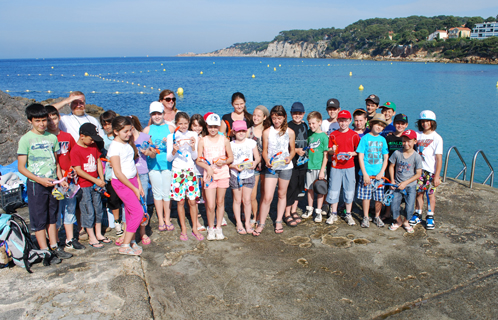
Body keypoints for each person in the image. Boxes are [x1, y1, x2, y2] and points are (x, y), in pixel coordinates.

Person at [17, 104, 71, 264]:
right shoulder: (26, 139)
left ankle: (54, 246)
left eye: (44, 120)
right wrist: (40, 180)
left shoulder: (52, 138)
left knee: (52, 217)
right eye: (38, 121)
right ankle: (44, 251)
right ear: (30, 121)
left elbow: (56, 163)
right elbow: (21, 167)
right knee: (39, 219)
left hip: (53, 183)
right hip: (36, 185)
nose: (42, 124)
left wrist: (61, 180)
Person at [45, 105, 85, 250]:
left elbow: (73, 155)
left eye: (54, 118)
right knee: (55, 212)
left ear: (59, 118)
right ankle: (54, 242)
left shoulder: (67, 136)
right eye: (48, 120)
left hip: (69, 180)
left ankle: (70, 239)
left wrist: (74, 169)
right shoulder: (46, 138)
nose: (52, 122)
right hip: (54, 181)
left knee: (70, 208)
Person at [253, 106, 295, 236]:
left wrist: (290, 158)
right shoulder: (267, 132)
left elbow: (292, 150)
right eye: (274, 118)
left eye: (279, 118)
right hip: (271, 168)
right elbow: (264, 150)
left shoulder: (290, 132)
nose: (276, 121)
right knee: (267, 196)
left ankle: (278, 221)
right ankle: (261, 223)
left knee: (282, 194)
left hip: (286, 168)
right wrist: (266, 160)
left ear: (284, 118)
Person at [108, 116, 145, 255]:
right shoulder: (115, 147)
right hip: (122, 183)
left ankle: (131, 241)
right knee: (138, 212)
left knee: (130, 212)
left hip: (132, 180)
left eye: (130, 130)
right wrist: (134, 188)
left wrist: (139, 184)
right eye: (125, 131)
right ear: (116, 131)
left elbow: (132, 165)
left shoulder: (127, 144)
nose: (129, 134)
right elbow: (117, 172)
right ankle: (124, 245)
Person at [70, 123, 111, 248]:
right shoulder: (75, 150)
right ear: (82, 136)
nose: (92, 141)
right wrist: (95, 180)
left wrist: (101, 178)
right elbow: (78, 170)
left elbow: (98, 161)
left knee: (98, 207)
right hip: (84, 185)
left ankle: (98, 233)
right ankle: (91, 236)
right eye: (91, 138)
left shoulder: (93, 146)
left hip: (96, 184)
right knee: (88, 210)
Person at [196, 113, 234, 241]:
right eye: (210, 126)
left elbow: (231, 157)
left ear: (219, 127)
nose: (213, 129)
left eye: (215, 127)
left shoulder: (224, 140)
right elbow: (198, 159)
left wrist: (223, 162)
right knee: (210, 204)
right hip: (209, 176)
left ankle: (218, 227)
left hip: (223, 174)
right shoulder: (203, 141)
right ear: (206, 126)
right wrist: (207, 168)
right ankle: (210, 228)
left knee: (220, 202)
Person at [167, 112, 203, 241]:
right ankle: (183, 229)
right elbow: (169, 158)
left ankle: (194, 228)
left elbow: (194, 157)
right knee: (180, 201)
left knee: (192, 201)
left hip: (190, 171)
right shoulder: (171, 137)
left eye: (185, 123)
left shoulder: (193, 135)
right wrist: (174, 150)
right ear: (176, 124)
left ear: (189, 123)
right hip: (177, 171)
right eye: (180, 123)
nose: (183, 126)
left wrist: (193, 147)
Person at [143, 101, 175, 231]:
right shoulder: (146, 130)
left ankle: (167, 218)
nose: (157, 116)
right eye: (154, 114)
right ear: (150, 115)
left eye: (159, 113)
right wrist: (148, 147)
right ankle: (160, 219)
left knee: (167, 193)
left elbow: (176, 147)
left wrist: (170, 143)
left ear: (163, 113)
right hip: (153, 165)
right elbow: (142, 149)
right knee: (157, 193)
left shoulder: (171, 128)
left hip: (168, 164)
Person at [325, 110, 360, 225]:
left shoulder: (354, 135)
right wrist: (332, 150)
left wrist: (352, 153)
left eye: (345, 121)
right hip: (336, 166)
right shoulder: (334, 134)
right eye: (341, 121)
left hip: (349, 166)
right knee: (334, 190)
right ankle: (333, 213)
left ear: (350, 121)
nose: (343, 123)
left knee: (349, 190)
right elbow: (329, 151)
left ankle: (348, 214)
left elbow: (358, 151)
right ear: (338, 121)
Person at [410, 110, 443, 230]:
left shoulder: (437, 138)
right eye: (423, 121)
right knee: (419, 193)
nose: (425, 124)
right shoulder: (417, 135)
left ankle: (430, 215)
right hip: (418, 170)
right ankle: (418, 213)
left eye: (428, 121)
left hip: (430, 171)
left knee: (430, 194)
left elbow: (439, 158)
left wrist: (437, 175)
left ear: (432, 122)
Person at [356, 114, 389, 228]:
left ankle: (377, 216)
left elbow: (385, 157)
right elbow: (360, 156)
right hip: (367, 174)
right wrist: (364, 173)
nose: (379, 127)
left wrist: (381, 172)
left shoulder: (382, 139)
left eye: (382, 126)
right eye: (377, 125)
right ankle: (366, 216)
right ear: (371, 124)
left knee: (379, 197)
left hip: (379, 175)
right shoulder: (365, 138)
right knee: (366, 197)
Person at [229, 120, 260, 234]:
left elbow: (257, 158)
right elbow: (228, 163)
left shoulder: (251, 142)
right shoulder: (230, 144)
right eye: (238, 131)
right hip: (235, 175)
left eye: (243, 130)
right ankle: (239, 222)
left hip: (249, 174)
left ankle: (247, 222)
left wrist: (255, 163)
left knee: (247, 200)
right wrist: (234, 166)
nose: (241, 133)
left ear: (246, 131)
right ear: (234, 132)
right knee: (237, 200)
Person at [388, 130, 423, 233]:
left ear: (415, 142)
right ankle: (398, 221)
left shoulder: (417, 157)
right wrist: (392, 181)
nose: (406, 144)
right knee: (394, 205)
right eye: (404, 141)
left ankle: (406, 221)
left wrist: (405, 183)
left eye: (409, 141)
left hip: (410, 186)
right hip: (397, 185)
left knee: (409, 207)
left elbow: (418, 174)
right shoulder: (397, 153)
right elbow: (391, 166)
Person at [99, 110, 124, 236]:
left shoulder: (122, 138)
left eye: (109, 123)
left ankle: (125, 221)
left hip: (124, 174)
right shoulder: (102, 141)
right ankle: (117, 221)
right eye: (104, 124)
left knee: (124, 199)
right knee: (113, 200)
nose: (107, 126)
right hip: (109, 175)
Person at [302, 111, 329, 222]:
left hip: (320, 168)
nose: (311, 126)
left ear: (319, 122)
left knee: (320, 189)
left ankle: (318, 211)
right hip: (309, 166)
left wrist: (322, 170)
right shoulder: (308, 133)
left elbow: (326, 155)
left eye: (314, 123)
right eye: (309, 123)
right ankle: (310, 209)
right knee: (309, 189)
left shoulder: (323, 136)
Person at [381, 113, 409, 221]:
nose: (400, 126)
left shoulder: (407, 139)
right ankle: (387, 212)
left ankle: (403, 214)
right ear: (394, 123)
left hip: (404, 169)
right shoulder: (389, 138)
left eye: (403, 124)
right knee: (389, 190)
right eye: (398, 123)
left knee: (404, 192)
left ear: (406, 125)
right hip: (390, 167)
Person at [284, 102, 308, 226]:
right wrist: (295, 151)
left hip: (303, 163)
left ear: (303, 114)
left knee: (300, 186)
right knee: (291, 186)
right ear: (291, 113)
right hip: (291, 163)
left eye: (300, 113)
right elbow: (283, 146)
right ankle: (287, 212)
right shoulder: (287, 127)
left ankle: (294, 210)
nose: (297, 115)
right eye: (295, 113)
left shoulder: (305, 125)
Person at [130, 115, 153, 245]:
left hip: (142, 173)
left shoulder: (145, 137)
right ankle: (129, 232)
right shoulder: (125, 140)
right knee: (128, 205)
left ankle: (142, 232)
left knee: (142, 203)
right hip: (128, 175)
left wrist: (148, 152)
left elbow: (154, 152)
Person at [247, 105, 271, 227]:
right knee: (252, 194)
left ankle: (259, 216)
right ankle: (254, 215)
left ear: (264, 117)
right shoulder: (248, 132)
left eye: (259, 115)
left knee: (264, 193)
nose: (255, 117)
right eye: (254, 115)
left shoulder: (268, 131)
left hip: (267, 166)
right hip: (253, 167)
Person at [189, 114, 208, 231]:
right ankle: (195, 221)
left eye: (200, 125)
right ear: (191, 125)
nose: (197, 128)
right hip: (192, 170)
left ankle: (210, 217)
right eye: (195, 125)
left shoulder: (205, 137)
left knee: (206, 195)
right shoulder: (189, 137)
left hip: (204, 170)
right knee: (195, 197)